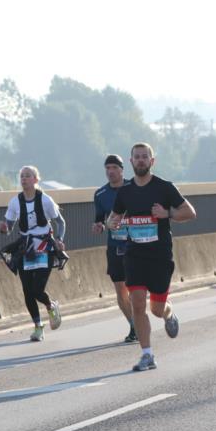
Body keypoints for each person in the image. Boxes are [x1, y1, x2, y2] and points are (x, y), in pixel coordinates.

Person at [107, 143, 197, 371]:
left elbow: (190, 212)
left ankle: (168, 313)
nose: (140, 160)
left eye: (144, 157)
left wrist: (168, 213)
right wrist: (111, 222)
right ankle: (147, 354)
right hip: (135, 254)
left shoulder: (164, 188)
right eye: (136, 157)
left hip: (160, 256)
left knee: (156, 309)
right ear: (131, 162)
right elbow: (113, 217)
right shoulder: (125, 192)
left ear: (152, 161)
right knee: (137, 303)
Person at [0, 166, 66, 341]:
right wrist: (4, 228)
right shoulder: (15, 202)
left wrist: (59, 238)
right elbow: (9, 226)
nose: (24, 179)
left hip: (44, 246)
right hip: (25, 248)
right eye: (21, 176)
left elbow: (60, 222)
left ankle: (50, 306)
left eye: (28, 176)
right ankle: (38, 327)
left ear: (36, 180)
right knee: (27, 291)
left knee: (37, 289)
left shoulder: (45, 200)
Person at [92, 154, 136, 343]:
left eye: (114, 168)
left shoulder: (133, 188)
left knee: (135, 288)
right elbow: (99, 219)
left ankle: (143, 317)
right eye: (107, 168)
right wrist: (99, 226)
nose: (110, 172)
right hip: (115, 246)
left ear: (122, 170)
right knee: (120, 290)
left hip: (136, 244)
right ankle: (134, 326)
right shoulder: (100, 194)